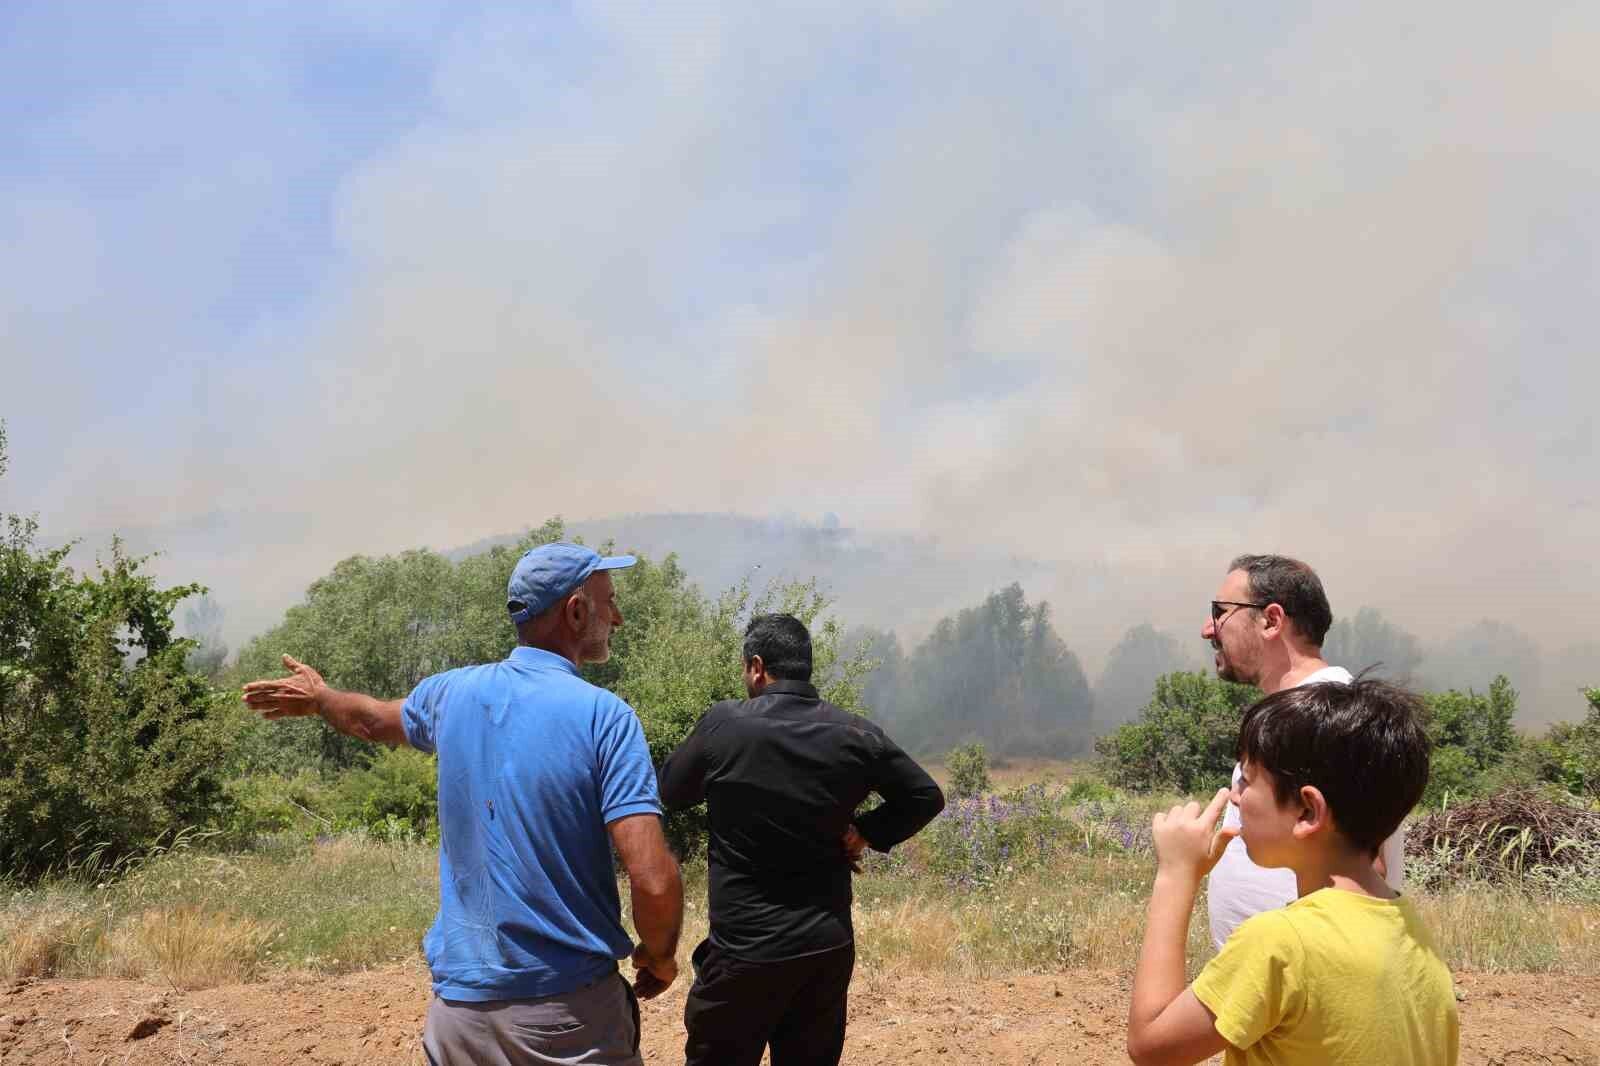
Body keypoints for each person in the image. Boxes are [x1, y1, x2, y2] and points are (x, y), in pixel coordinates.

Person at [241, 543, 683, 1066]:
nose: (619, 618)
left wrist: (320, 698)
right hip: (568, 1022)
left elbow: (371, 720)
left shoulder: (451, 695)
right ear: (576, 611)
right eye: (609, 602)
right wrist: (659, 956)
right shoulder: (605, 717)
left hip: (459, 1021)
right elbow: (653, 878)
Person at [657, 613, 945, 1066]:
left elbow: (670, 792)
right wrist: (867, 832)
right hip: (825, 948)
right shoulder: (855, 734)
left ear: (756, 666)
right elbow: (925, 795)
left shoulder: (724, 725)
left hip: (744, 952)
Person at [1126, 679, 1458, 1066]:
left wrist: (1176, 875)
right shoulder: (1413, 935)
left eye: (1246, 781)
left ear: (1307, 812)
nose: (1234, 796)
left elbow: (1151, 1045)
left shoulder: (1280, 944)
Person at [1202, 553, 1403, 948]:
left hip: (1304, 984)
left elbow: (1366, 868)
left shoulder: (1331, 717)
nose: (1208, 628)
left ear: (1271, 620)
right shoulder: (1295, 713)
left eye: (1220, 612)